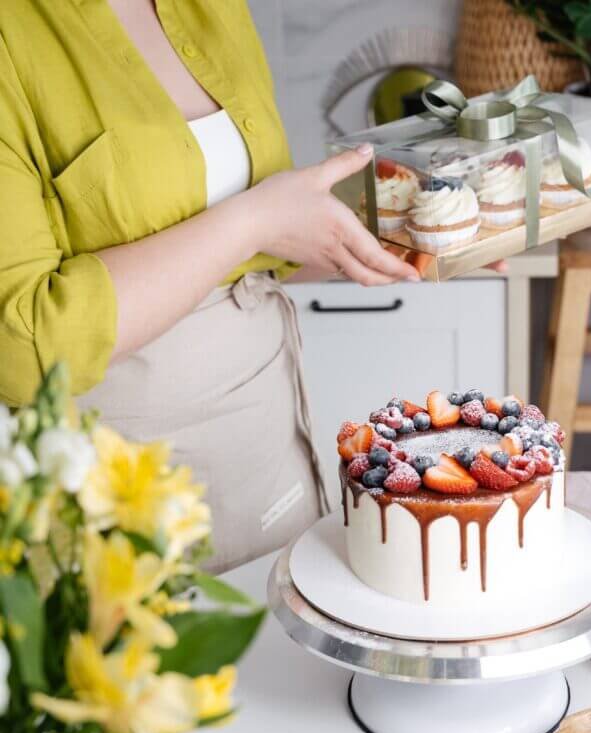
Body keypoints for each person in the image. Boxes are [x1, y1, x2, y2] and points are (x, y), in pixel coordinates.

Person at [0, 1, 498, 569]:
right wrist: (254, 220)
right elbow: (23, 347)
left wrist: (417, 236)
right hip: (114, 510)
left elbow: (262, 249)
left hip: (270, 468)